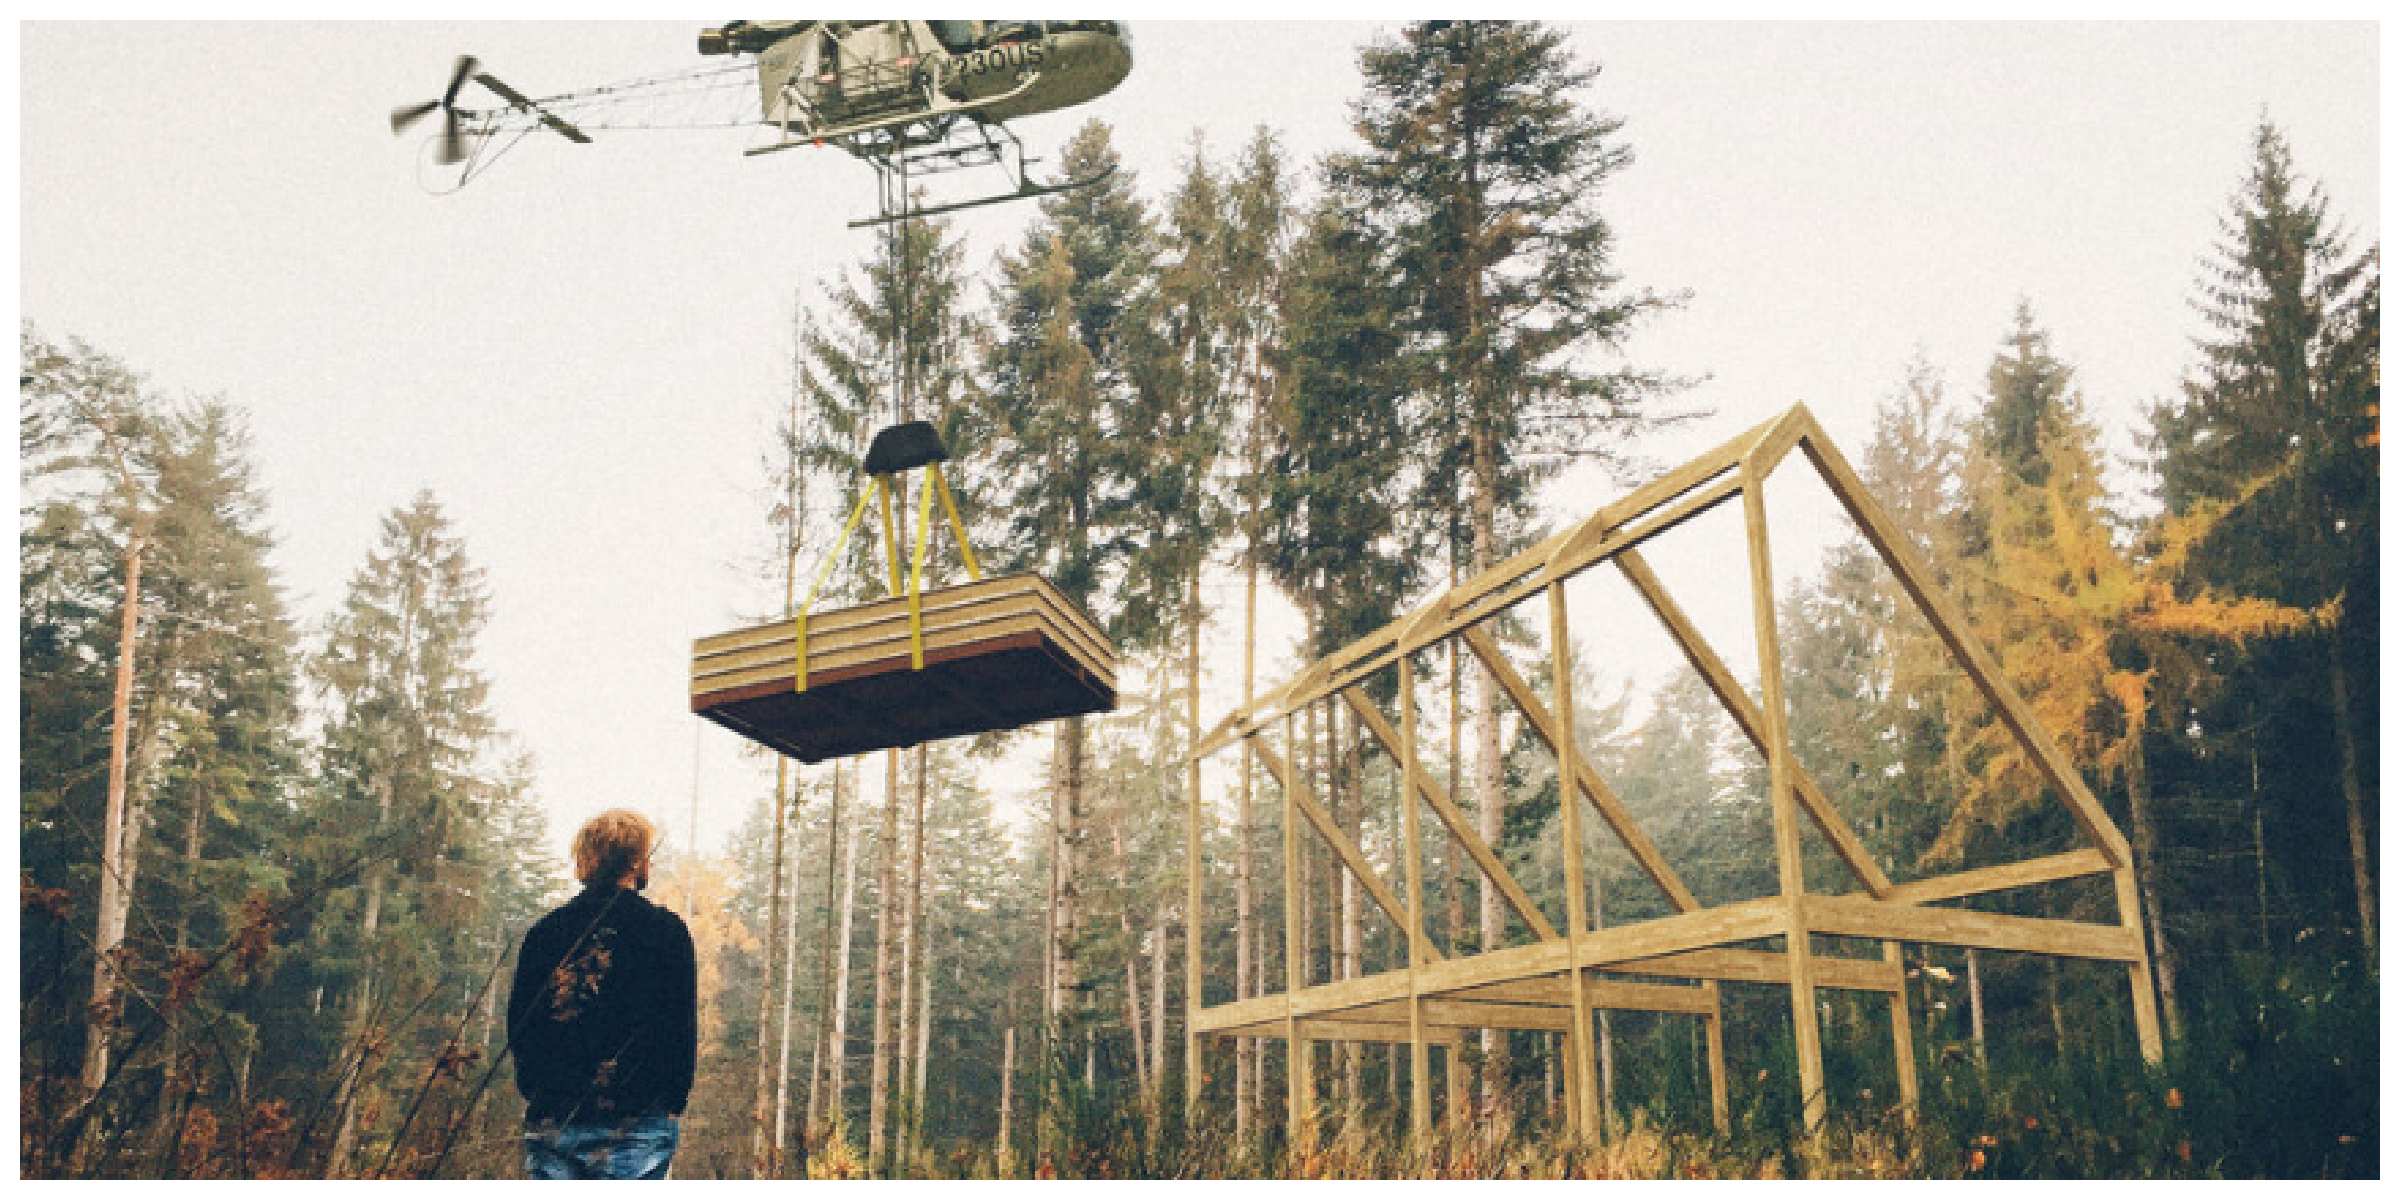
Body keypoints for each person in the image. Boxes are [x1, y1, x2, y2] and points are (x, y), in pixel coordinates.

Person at [507, 809, 696, 1180]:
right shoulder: (666, 932)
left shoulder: (546, 933)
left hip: (555, 1118)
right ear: (638, 862)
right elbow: (679, 1026)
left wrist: (538, 1090)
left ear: (586, 860)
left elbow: (522, 1025)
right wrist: (672, 1100)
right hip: (638, 1123)